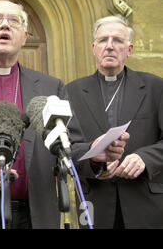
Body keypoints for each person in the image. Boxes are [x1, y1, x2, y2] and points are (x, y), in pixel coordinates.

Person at [0, 0, 127, 229]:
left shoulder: (51, 87)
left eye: (14, 21)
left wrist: (94, 153)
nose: (5, 25)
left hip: (36, 217)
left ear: (25, 36)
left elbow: (69, 148)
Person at [67, 15, 163, 228]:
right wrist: (94, 158)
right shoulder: (71, 92)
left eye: (118, 40)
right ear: (94, 48)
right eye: (103, 40)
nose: (109, 46)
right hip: (95, 205)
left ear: (129, 49)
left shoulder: (155, 87)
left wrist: (144, 157)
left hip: (147, 206)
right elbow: (67, 150)